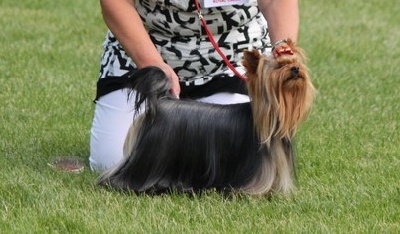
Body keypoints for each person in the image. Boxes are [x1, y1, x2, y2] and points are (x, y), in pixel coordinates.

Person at [89, 0, 299, 171]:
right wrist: (150, 62)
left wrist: (281, 48)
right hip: (142, 55)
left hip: (234, 61)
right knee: (114, 160)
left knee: (239, 158)